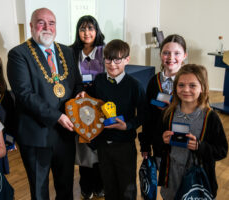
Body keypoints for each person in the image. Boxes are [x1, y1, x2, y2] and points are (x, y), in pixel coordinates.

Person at [7, 8, 84, 200]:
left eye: (51, 23)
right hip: (36, 135)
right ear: (32, 26)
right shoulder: (18, 54)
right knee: (39, 190)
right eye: (41, 22)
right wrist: (57, 116)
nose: (47, 27)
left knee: (66, 186)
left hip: (66, 133)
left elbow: (77, 83)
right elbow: (25, 94)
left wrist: (80, 94)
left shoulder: (67, 52)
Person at [157, 64, 228, 199]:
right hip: (171, 179)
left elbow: (222, 151)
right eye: (181, 85)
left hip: (198, 181)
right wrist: (163, 140)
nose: (186, 90)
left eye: (192, 85)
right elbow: (157, 143)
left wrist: (199, 146)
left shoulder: (210, 117)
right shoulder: (168, 114)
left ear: (202, 88)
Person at [89, 39, 145, 200]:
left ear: (127, 59)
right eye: (108, 59)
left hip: (124, 145)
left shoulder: (135, 85)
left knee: (127, 189)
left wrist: (128, 125)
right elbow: (91, 106)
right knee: (109, 186)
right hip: (103, 145)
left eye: (117, 60)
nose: (112, 64)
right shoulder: (98, 80)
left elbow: (143, 114)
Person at [70, 15, 105, 199]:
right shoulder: (70, 52)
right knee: (83, 147)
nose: (87, 33)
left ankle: (100, 184)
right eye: (82, 29)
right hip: (79, 107)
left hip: (100, 107)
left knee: (98, 149)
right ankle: (85, 185)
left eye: (90, 28)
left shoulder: (105, 52)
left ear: (96, 30)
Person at [139, 34, 187, 165]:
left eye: (177, 53)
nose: (171, 58)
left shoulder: (191, 81)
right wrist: (145, 144)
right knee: (164, 181)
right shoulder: (154, 81)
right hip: (159, 142)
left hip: (184, 143)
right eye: (166, 53)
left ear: (185, 56)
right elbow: (147, 115)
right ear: (160, 55)